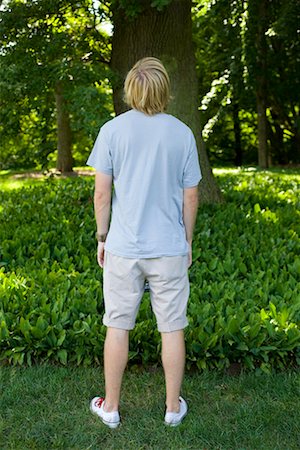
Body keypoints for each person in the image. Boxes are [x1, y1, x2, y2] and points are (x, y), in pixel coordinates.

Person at [87, 57, 201, 428]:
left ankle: (111, 408)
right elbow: (191, 196)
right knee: (172, 327)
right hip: (169, 246)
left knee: (117, 325)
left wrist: (102, 237)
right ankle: (171, 409)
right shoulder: (182, 133)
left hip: (124, 246)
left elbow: (101, 195)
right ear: (166, 89)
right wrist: (186, 240)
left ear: (130, 91)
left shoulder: (112, 131)